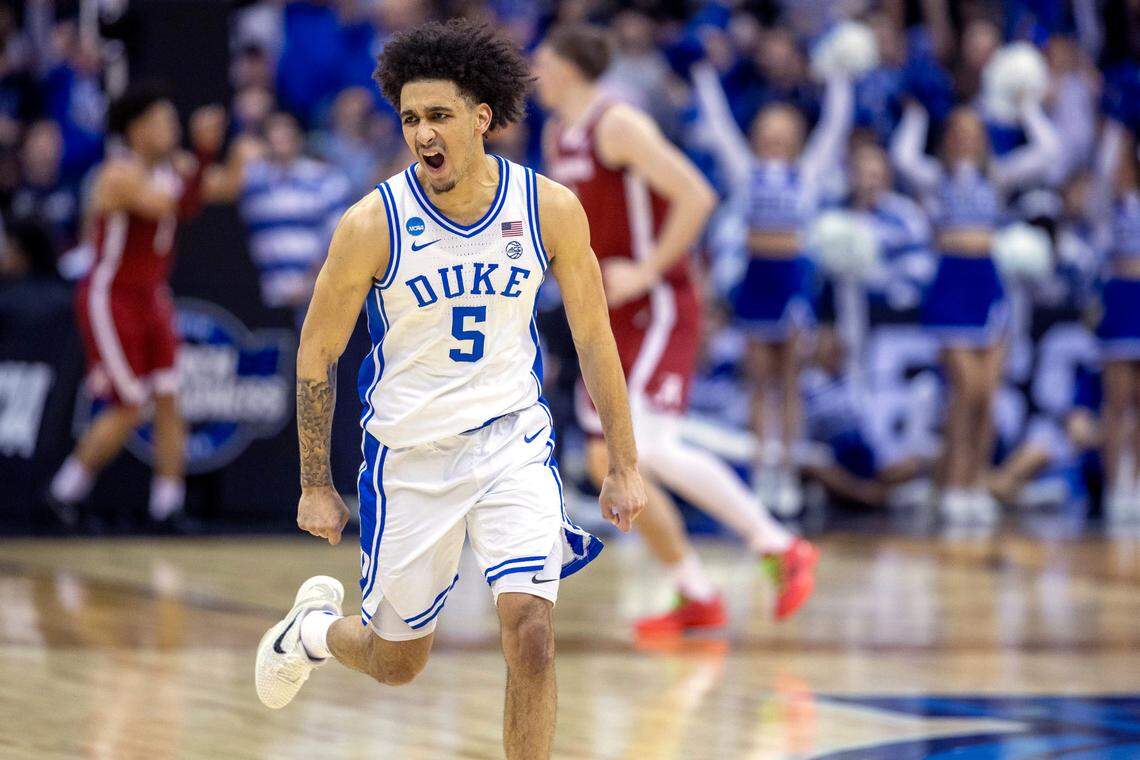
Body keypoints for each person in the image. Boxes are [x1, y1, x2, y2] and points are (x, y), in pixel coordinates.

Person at [253, 21, 646, 760]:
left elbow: (596, 339)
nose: (422, 133)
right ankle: (310, 632)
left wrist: (625, 462)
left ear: (482, 118)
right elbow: (317, 351)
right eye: (409, 118)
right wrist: (315, 482)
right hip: (412, 457)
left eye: (438, 115)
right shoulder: (374, 222)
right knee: (398, 662)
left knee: (531, 631)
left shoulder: (549, 208)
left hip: (511, 444)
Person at [535, 24, 817, 633]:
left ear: (568, 67)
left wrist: (646, 270)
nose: (535, 73)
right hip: (604, 312)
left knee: (650, 448)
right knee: (607, 457)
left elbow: (697, 195)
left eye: (543, 62)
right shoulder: (557, 134)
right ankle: (694, 591)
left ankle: (779, 544)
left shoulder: (618, 123)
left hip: (658, 303)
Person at [46, 84, 229, 528]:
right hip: (112, 295)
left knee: (169, 396)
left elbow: (217, 187)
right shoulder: (118, 173)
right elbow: (175, 203)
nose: (171, 129)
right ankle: (61, 494)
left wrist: (241, 156)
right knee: (129, 404)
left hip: (153, 294)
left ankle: (167, 505)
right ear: (137, 129)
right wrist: (204, 153)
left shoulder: (175, 166)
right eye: (162, 122)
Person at [692, 53, 854, 517]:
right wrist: (706, 77)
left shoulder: (808, 173)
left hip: (792, 279)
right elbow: (721, 128)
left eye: (785, 133)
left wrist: (839, 81)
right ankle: (764, 469)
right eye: (769, 132)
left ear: (796, 138)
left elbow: (835, 129)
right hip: (757, 279)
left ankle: (787, 470)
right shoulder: (745, 171)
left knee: (790, 380)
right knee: (759, 379)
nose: (776, 139)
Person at [889, 96, 1060, 523]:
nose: (967, 140)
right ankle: (953, 484)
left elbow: (1048, 152)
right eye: (959, 132)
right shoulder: (936, 179)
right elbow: (902, 158)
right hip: (951, 286)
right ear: (948, 139)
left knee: (985, 395)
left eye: (975, 133)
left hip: (987, 286)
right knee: (963, 392)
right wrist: (918, 112)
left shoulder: (997, 176)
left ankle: (974, 482)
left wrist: (1026, 106)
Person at [1094, 120, 1140, 521]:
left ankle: (1137, 483)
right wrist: (1117, 127)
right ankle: (1114, 486)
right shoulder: (1113, 201)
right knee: (1118, 401)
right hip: (1124, 299)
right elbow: (1103, 174)